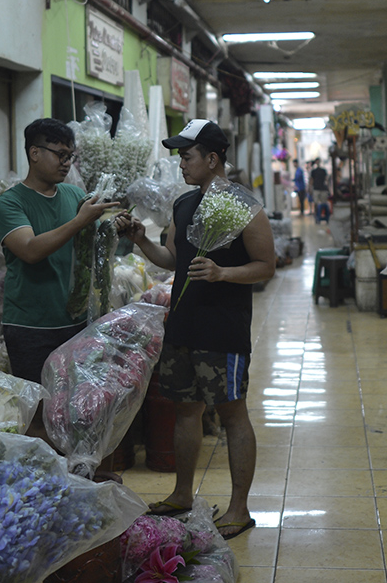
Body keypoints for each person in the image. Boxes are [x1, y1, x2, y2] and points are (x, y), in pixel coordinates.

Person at [117, 119, 275, 540]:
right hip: (183, 324)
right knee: (185, 409)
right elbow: (173, 259)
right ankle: (183, 494)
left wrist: (223, 273)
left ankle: (239, 509)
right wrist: (141, 241)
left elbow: (266, 265)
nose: (181, 164)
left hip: (223, 329)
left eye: (187, 156)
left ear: (212, 158)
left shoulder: (245, 206)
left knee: (232, 413)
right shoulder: (184, 204)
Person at [0, 118, 121, 384]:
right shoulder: (9, 203)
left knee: (72, 409)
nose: (66, 163)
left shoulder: (74, 195)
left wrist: (118, 227)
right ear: (34, 153)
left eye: (70, 156)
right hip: (31, 326)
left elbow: (94, 243)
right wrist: (78, 222)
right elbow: (29, 250)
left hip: (75, 322)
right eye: (60, 155)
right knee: (39, 411)